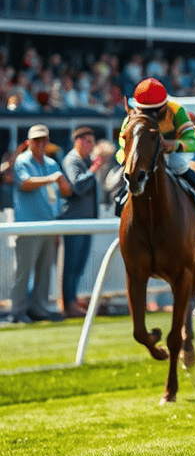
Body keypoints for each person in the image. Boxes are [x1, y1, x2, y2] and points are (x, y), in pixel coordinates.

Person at [9, 125, 71, 323]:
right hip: (28, 225)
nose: (40, 144)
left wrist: (64, 186)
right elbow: (24, 184)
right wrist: (51, 179)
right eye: (36, 140)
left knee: (45, 270)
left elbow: (65, 192)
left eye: (44, 140)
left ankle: (39, 308)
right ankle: (18, 312)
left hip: (50, 224)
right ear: (29, 142)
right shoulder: (22, 161)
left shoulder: (52, 163)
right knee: (24, 271)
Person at [117, 78, 195, 205]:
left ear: (165, 105)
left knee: (178, 164)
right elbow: (122, 147)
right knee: (129, 173)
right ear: (137, 107)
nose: (151, 115)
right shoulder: (131, 117)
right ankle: (119, 204)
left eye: (155, 110)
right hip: (143, 157)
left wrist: (174, 145)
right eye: (145, 111)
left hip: (171, 153)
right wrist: (127, 160)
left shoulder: (177, 110)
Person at [61, 126, 102, 318]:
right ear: (78, 141)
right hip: (75, 220)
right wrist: (93, 170)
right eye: (88, 142)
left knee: (79, 264)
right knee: (71, 265)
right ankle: (68, 304)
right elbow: (77, 186)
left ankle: (73, 301)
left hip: (85, 220)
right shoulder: (72, 160)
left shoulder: (84, 161)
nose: (91, 146)